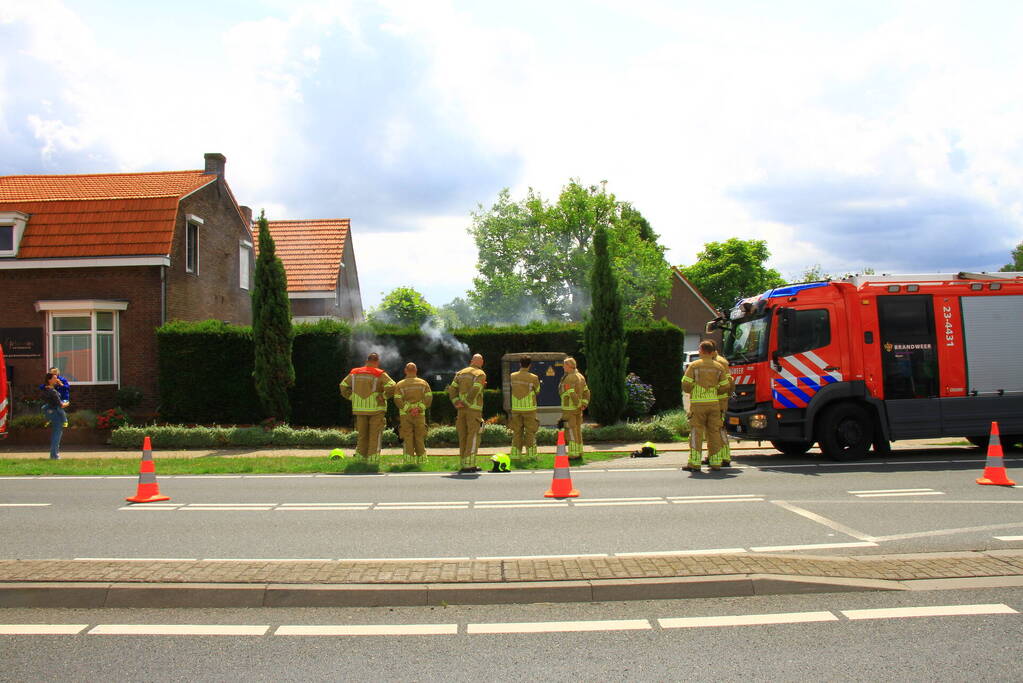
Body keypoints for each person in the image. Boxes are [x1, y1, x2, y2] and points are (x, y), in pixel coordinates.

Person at [681, 340, 731, 472]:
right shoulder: (719, 366)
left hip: (698, 405)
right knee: (714, 433)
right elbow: (726, 385)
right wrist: (715, 391)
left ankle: (694, 463)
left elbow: (685, 385)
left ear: (702, 351)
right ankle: (715, 463)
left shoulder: (694, 365)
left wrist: (694, 389)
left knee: (696, 433)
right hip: (714, 404)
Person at [339, 352, 395, 460]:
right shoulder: (379, 373)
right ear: (377, 362)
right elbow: (392, 385)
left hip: (360, 409)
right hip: (376, 410)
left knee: (362, 435)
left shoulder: (354, 373)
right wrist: (383, 396)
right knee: (375, 435)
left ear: (366, 361)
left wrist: (352, 397)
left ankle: (360, 458)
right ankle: (373, 459)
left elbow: (343, 386)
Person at [448, 353, 486, 473]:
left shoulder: (460, 373)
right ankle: (470, 465)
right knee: (473, 436)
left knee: (463, 436)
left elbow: (452, 389)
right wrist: (467, 402)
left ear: (471, 361)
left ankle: (464, 463)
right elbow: (475, 389)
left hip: (461, 410)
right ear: (482, 362)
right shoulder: (480, 374)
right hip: (473, 410)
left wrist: (456, 402)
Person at [392, 362, 433, 463]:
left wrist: (409, 409)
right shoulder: (423, 383)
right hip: (420, 415)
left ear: (405, 371)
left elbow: (397, 399)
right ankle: (422, 460)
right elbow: (429, 398)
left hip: (405, 415)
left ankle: (408, 461)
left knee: (408, 437)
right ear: (416, 370)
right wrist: (419, 409)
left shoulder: (400, 384)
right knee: (419, 437)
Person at [508, 356, 541, 458]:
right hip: (529, 409)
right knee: (530, 432)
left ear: (520, 364)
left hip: (516, 409)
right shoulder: (533, 377)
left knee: (517, 432)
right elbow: (538, 390)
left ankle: (515, 455)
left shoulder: (512, 376)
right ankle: (531, 455)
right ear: (530, 365)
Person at [558, 357, 590, 458]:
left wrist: (578, 404)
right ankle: (579, 451)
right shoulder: (580, 376)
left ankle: (573, 454)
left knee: (570, 431)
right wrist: (584, 404)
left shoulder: (569, 378)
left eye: (564, 365)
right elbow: (587, 391)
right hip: (577, 410)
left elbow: (571, 393)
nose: (563, 367)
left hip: (569, 409)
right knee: (577, 430)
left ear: (569, 366)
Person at [711, 343, 735, 467]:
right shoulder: (717, 360)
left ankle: (724, 457)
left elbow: (726, 382)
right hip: (718, 400)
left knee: (719, 429)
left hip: (719, 401)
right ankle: (718, 456)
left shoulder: (719, 362)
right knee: (717, 430)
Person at [40, 372, 69, 460]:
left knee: (55, 434)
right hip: (56, 413)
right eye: (54, 378)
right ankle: (54, 456)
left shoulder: (46, 389)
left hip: (50, 411)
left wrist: (60, 384)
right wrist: (67, 403)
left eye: (57, 377)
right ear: (49, 380)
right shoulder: (53, 391)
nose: (56, 379)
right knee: (57, 434)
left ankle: (54, 455)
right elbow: (60, 405)